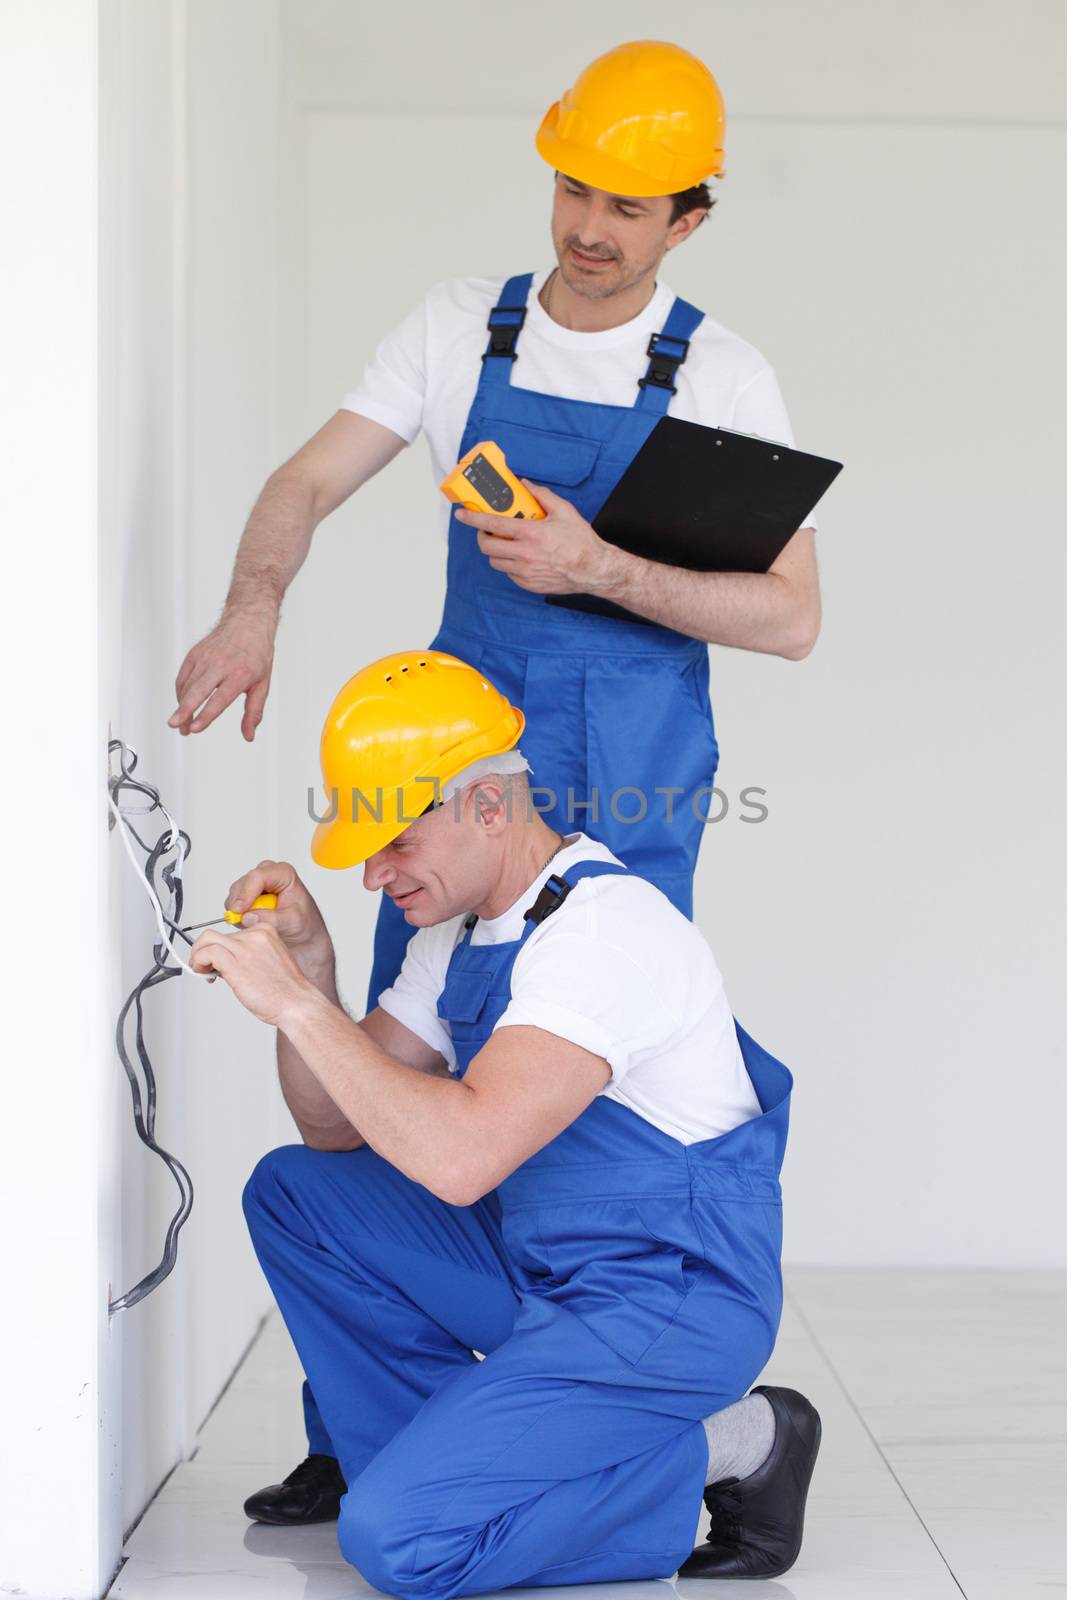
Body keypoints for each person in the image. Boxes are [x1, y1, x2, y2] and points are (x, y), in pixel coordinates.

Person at [169, 38, 821, 1015]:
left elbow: (790, 619)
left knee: (605, 1025)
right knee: (425, 1019)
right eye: (573, 190)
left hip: (631, 758)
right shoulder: (460, 328)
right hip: (450, 745)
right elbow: (302, 483)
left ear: (684, 224)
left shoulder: (718, 380)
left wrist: (597, 567)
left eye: (626, 208)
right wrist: (251, 610)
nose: (588, 228)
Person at [190, 651, 821, 1589]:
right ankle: (458, 1463)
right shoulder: (461, 935)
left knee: (403, 1544)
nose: (373, 875)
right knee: (299, 1192)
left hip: (662, 1303)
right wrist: (315, 973)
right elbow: (334, 1128)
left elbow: (460, 1159)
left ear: (488, 806)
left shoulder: (603, 935)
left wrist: (294, 1010)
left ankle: (737, 1443)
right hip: (542, 1267)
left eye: (396, 840)